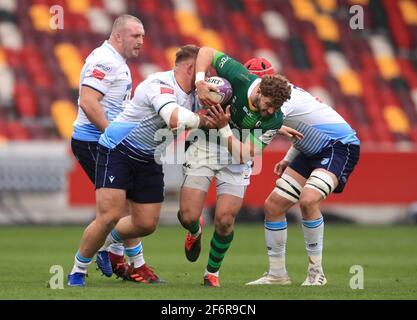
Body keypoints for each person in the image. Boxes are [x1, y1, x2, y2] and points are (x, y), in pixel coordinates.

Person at [68, 44, 212, 286]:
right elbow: (175, 118)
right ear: (191, 68)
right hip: (118, 150)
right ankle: (77, 271)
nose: (205, 77)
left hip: (149, 157)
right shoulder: (159, 84)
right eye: (203, 72)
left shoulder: (194, 96)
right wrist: (207, 122)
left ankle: (107, 246)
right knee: (109, 215)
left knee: (146, 224)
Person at [177, 47, 303, 287]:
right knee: (188, 215)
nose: (269, 112)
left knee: (225, 220)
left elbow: (245, 154)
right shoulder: (241, 77)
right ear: (261, 90)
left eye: (275, 109)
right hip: (205, 146)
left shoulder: (273, 119)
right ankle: (194, 231)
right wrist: (201, 82)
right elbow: (206, 51)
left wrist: (224, 128)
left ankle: (211, 273)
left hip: (235, 158)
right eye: (267, 105)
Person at [243, 58, 361, 286]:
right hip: (309, 149)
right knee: (273, 206)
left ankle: (317, 273)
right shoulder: (285, 97)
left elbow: (261, 126)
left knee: (308, 200)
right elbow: (303, 129)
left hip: (339, 145)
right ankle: (277, 275)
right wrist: (288, 158)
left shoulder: (281, 101)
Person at [68, 14, 158, 286]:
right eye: (135, 36)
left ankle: (128, 261)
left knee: (130, 205)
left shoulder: (116, 60)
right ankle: (109, 254)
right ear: (118, 36)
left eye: (143, 36)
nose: (141, 41)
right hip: (94, 141)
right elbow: (88, 101)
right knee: (115, 208)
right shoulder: (105, 61)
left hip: (103, 141)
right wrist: (113, 137)